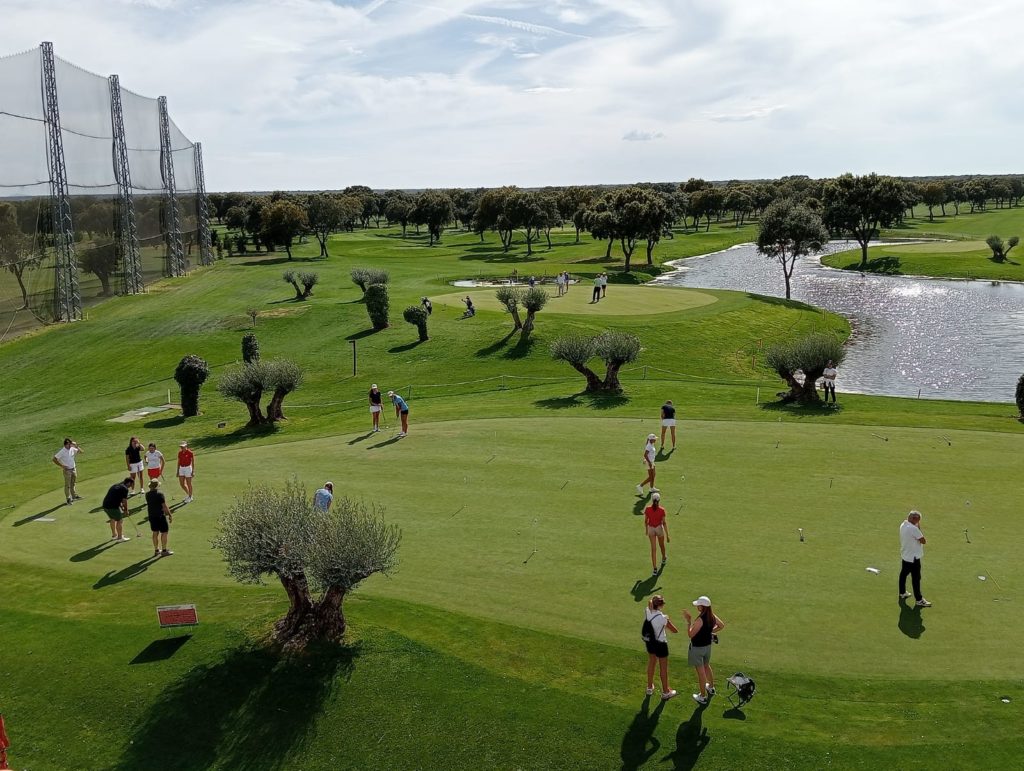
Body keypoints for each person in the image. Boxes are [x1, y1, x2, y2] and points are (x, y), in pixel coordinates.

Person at [682, 595, 726, 705]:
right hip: (707, 647)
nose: (697, 607)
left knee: (701, 673)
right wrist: (710, 632)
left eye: (699, 605)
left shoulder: (699, 620)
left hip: (697, 649)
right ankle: (711, 687)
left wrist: (688, 622)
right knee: (707, 666)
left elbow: (691, 634)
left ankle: (702, 696)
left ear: (702, 607)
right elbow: (721, 625)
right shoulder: (712, 616)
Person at [643, 595, 678, 701]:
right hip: (661, 643)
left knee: (652, 663)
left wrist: (654, 600)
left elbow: (649, 602)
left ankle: (649, 687)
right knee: (663, 668)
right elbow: (674, 630)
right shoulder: (663, 618)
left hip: (650, 642)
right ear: (661, 605)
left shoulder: (648, 611)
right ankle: (666, 692)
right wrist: (668, 619)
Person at [899, 510, 931, 607]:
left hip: (905, 555)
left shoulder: (903, 525)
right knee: (916, 578)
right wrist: (917, 527)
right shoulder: (913, 529)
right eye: (918, 520)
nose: (918, 522)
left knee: (903, 574)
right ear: (914, 519)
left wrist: (916, 525)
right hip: (914, 558)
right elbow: (923, 541)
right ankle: (919, 599)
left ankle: (902, 592)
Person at [145, 479, 173, 557]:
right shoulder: (160, 494)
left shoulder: (147, 494)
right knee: (164, 532)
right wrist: (170, 515)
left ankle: (156, 550)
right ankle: (164, 551)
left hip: (151, 516)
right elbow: (164, 506)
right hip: (160, 516)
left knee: (155, 532)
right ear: (157, 486)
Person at [644, 492, 669, 576]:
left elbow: (646, 521)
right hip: (659, 528)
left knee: (653, 549)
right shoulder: (662, 510)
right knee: (662, 545)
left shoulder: (647, 509)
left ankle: (655, 569)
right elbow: (664, 523)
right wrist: (668, 535)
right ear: (659, 500)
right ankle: (664, 558)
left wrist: (646, 530)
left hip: (651, 529)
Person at [102, 477, 134, 542]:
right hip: (112, 507)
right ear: (128, 483)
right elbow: (124, 500)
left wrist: (121, 506)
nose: (131, 486)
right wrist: (126, 510)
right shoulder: (125, 489)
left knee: (112, 519)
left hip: (105, 505)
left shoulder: (116, 485)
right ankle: (120, 537)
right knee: (120, 520)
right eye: (131, 484)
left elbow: (116, 497)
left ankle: (114, 535)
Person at [52, 437, 83, 505]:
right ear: (65, 445)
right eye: (69, 444)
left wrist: (76, 446)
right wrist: (62, 466)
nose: (70, 445)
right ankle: (68, 499)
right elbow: (54, 459)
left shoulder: (72, 449)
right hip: (67, 470)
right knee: (67, 485)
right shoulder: (62, 451)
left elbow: (81, 452)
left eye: (70, 444)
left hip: (73, 469)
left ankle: (74, 496)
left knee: (73, 483)